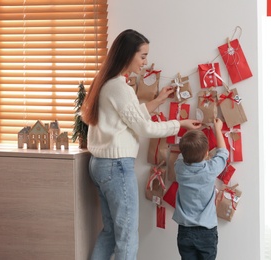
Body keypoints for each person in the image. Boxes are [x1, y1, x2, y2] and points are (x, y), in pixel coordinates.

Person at [80, 29, 201, 260]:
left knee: (110, 232)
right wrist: (180, 124)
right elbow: (144, 128)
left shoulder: (105, 82)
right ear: (128, 54)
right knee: (127, 236)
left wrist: (157, 101)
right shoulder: (119, 87)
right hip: (116, 167)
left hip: (100, 165)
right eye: (143, 56)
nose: (145, 63)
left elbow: (130, 117)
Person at [172, 119, 229, 260]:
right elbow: (223, 154)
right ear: (207, 155)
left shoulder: (179, 168)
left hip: (185, 231)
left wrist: (189, 134)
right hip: (206, 232)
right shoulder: (210, 169)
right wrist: (217, 129)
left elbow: (183, 154)